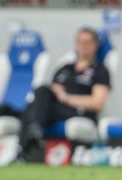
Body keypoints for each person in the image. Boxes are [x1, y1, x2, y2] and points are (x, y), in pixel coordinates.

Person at [18, 27, 110, 162]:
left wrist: (67, 98)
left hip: (80, 111)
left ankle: (28, 145)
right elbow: (51, 92)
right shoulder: (65, 68)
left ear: (95, 45)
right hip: (56, 110)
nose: (83, 46)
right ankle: (34, 135)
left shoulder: (100, 70)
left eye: (87, 42)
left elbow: (97, 103)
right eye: (80, 42)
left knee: (34, 108)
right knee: (40, 92)